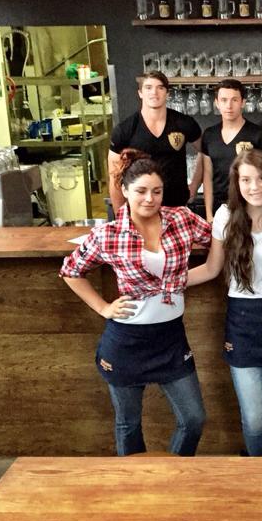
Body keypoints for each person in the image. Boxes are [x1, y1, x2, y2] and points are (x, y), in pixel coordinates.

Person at [60, 148, 211, 456]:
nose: (149, 199)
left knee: (193, 418)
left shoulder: (181, 219)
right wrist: (103, 307)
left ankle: (173, 474)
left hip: (171, 338)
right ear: (125, 190)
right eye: (141, 191)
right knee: (128, 425)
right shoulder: (109, 234)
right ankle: (135, 483)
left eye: (157, 191)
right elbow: (70, 271)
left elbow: (218, 239)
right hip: (126, 341)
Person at [187, 149, 262, 456]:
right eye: (246, 180)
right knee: (256, 418)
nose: (254, 186)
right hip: (243, 319)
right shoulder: (225, 216)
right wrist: (165, 282)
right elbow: (212, 268)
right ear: (236, 183)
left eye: (260, 178)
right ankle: (256, 469)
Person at [109, 71, 202, 211]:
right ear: (140, 93)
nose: (154, 92)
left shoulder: (184, 123)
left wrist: (195, 185)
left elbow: (206, 152)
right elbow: (114, 177)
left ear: (167, 93)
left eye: (160, 87)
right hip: (141, 207)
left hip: (177, 207)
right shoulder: (125, 130)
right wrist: (120, 217)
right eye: (148, 87)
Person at [201, 79, 262, 222]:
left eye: (234, 100)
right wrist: (209, 214)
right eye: (224, 100)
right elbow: (207, 177)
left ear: (243, 102)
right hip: (219, 207)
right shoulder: (209, 134)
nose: (229, 106)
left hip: (250, 207)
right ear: (217, 103)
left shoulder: (260, 135)